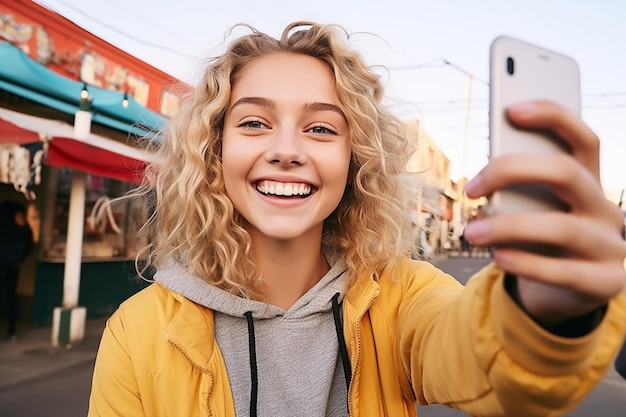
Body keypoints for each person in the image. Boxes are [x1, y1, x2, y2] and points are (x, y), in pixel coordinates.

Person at [88, 22, 626, 417]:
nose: (286, 149)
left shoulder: (400, 297)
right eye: (254, 122)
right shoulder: (136, 334)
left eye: (322, 129)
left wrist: (540, 313)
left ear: (355, 160)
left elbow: (489, 361)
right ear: (213, 150)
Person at [0, 200, 33, 342]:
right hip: (14, 266)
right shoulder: (24, 227)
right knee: (11, 297)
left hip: (5, 265)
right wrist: (19, 259)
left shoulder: (3, 223)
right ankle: (11, 330)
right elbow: (29, 247)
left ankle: (11, 330)